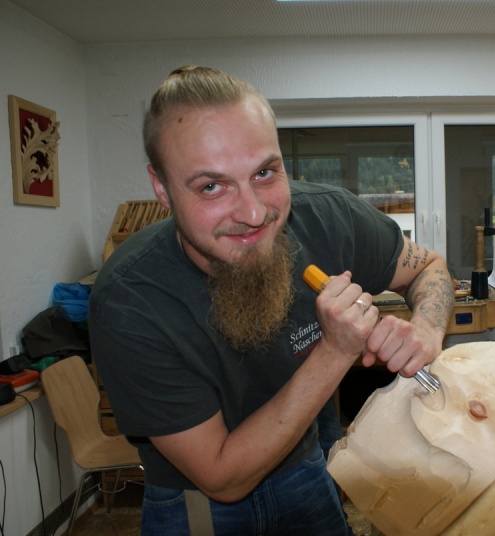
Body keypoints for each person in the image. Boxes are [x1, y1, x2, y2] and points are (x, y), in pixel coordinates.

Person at [89, 66, 455, 535]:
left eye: (264, 172)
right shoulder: (129, 300)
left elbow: (428, 267)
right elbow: (223, 477)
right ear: (162, 188)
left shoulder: (327, 217)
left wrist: (426, 328)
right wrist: (336, 350)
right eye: (211, 186)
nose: (254, 212)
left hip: (305, 465)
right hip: (196, 498)